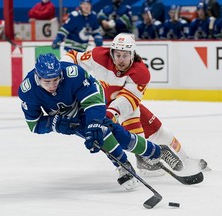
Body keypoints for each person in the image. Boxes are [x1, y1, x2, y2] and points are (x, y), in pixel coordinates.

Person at [18, 53, 183, 190]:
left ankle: (148, 155)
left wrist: (94, 123)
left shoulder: (72, 74)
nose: (53, 85)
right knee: (111, 135)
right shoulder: (28, 90)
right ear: (37, 77)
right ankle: (141, 157)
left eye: (56, 80)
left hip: (90, 103)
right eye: (47, 82)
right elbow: (34, 124)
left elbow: (93, 99)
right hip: (67, 118)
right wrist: (54, 123)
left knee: (102, 132)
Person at [61, 33, 208, 175]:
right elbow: (74, 56)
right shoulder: (99, 55)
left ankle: (186, 160)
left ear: (132, 54)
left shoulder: (141, 72)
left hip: (122, 107)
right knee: (129, 124)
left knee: (161, 132)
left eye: (125, 55)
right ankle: (144, 158)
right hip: (98, 105)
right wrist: (63, 72)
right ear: (111, 53)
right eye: (118, 55)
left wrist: (111, 113)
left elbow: (128, 100)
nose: (121, 60)